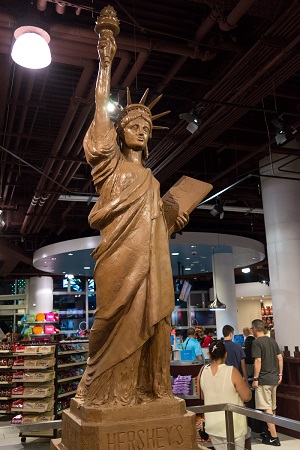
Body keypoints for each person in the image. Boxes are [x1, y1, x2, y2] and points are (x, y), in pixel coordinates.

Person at [75, 6, 189, 407]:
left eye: (146, 129)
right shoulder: (109, 164)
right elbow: (99, 105)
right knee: (110, 320)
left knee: (152, 322)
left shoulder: (152, 182)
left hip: (152, 263)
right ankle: (105, 392)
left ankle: (147, 389)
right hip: (118, 260)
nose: (141, 131)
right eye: (133, 126)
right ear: (120, 132)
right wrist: (105, 60)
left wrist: (174, 219)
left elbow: (154, 224)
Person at [198, 340, 251, 450]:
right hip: (233, 425)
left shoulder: (202, 371)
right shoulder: (232, 371)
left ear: (209, 354)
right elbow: (247, 396)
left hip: (213, 424)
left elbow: (202, 396)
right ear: (226, 354)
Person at [251, 319, 283, 446]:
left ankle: (274, 437)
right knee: (272, 407)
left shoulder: (256, 342)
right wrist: (280, 374)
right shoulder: (272, 341)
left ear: (254, 328)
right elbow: (280, 358)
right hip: (274, 379)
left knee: (266, 407)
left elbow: (258, 361)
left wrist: (255, 378)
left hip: (263, 379)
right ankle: (271, 432)